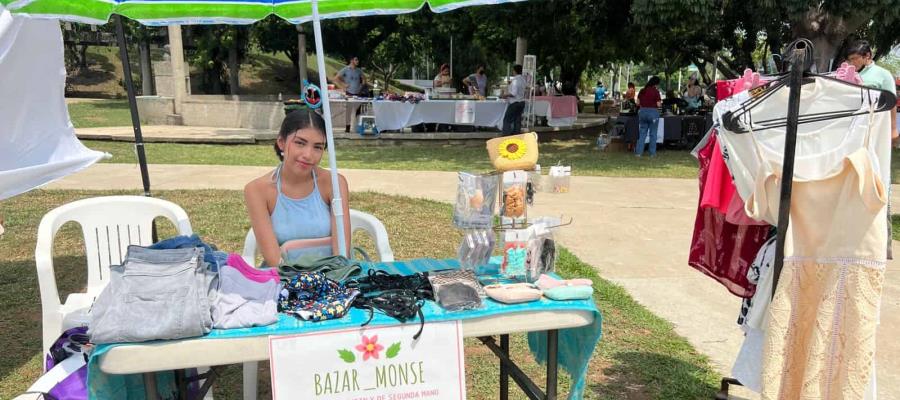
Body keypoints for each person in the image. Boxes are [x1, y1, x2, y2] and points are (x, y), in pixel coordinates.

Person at [244, 110, 351, 267]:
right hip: (284, 278)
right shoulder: (257, 190)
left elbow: (341, 253)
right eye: (300, 143)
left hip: (333, 275)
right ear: (281, 142)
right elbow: (274, 261)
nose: (308, 155)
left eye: (318, 147)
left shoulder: (334, 183)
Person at [846, 40, 898, 143]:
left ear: (867, 56)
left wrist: (893, 129)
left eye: (854, 59)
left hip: (872, 124)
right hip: (848, 123)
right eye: (849, 60)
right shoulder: (849, 74)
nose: (851, 63)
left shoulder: (883, 74)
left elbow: (891, 103)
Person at [333, 56, 366, 132]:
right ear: (351, 61)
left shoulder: (359, 70)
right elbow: (335, 78)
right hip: (349, 94)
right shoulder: (346, 69)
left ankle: (357, 128)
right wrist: (343, 85)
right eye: (356, 60)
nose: (358, 61)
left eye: (358, 59)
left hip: (358, 94)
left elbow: (364, 79)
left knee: (358, 111)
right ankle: (347, 128)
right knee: (349, 111)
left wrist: (362, 85)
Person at [635, 76, 662, 157]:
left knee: (642, 133)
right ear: (656, 84)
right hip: (653, 113)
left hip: (642, 112)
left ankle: (638, 152)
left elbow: (637, 103)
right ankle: (652, 153)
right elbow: (658, 104)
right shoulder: (656, 91)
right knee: (653, 134)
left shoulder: (642, 90)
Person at [501, 64, 527, 134]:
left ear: (514, 71)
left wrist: (505, 95)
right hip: (521, 102)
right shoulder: (523, 80)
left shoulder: (515, 80)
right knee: (517, 121)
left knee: (507, 119)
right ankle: (516, 135)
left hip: (515, 102)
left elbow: (513, 93)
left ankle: (506, 135)